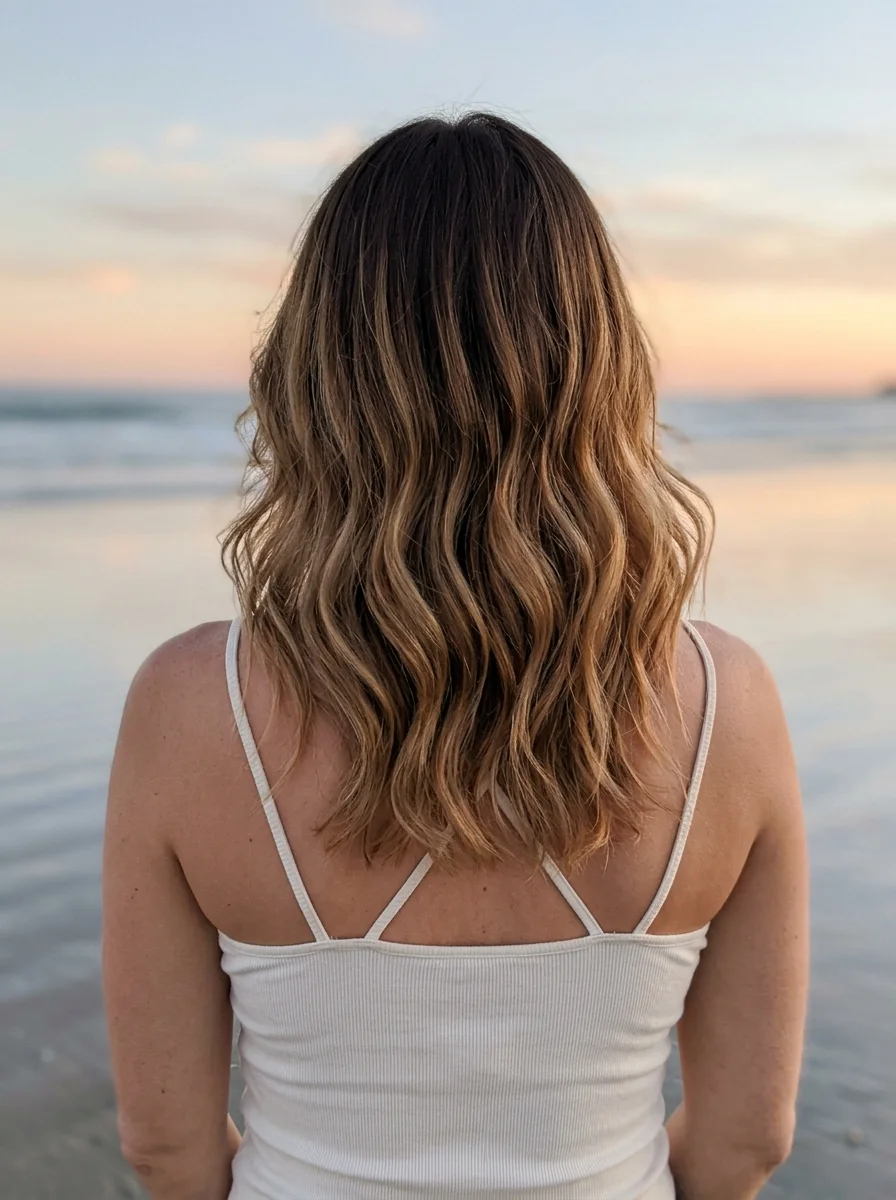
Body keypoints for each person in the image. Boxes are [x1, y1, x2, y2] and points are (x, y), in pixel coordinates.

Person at [102, 112, 809, 1200]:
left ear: (316, 374)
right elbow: (745, 1138)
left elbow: (166, 1147)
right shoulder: (727, 706)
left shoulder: (192, 710)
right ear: (598, 366)